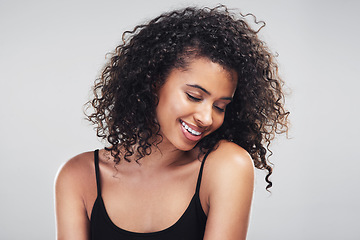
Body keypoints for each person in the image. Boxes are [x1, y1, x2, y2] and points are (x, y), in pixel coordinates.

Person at [55, 5, 289, 240]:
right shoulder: (78, 177)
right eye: (194, 97)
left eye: (220, 106)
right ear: (154, 81)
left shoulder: (226, 167)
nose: (206, 118)